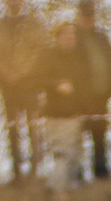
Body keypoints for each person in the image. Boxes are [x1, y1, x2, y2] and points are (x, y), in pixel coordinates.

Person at [0, 0, 49, 179]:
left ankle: (35, 170)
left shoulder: (34, 23)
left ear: (22, 0)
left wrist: (23, 72)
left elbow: (41, 50)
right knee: (12, 128)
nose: (13, 3)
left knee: (34, 127)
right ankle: (16, 170)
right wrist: (7, 73)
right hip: (7, 85)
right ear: (5, 2)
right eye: (10, 0)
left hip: (30, 84)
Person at [37, 22, 92, 187]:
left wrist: (86, 108)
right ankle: (57, 187)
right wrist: (56, 85)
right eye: (66, 36)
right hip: (55, 114)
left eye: (73, 36)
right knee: (61, 152)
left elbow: (85, 84)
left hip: (76, 113)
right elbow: (37, 79)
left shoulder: (79, 58)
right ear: (58, 37)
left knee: (74, 153)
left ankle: (71, 187)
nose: (70, 39)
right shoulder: (48, 56)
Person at [73, 0, 111, 178]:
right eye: (85, 16)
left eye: (91, 16)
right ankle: (77, 173)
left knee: (100, 135)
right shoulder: (73, 38)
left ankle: (101, 171)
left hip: (101, 95)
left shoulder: (101, 37)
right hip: (80, 97)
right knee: (78, 136)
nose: (88, 20)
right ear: (78, 16)